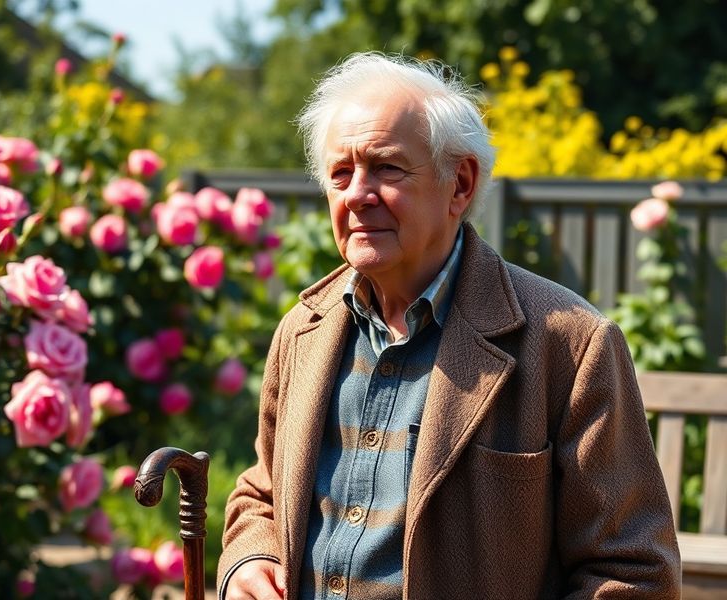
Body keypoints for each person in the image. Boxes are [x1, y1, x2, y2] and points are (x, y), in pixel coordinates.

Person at [217, 52, 680, 599]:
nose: (358, 194)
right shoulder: (302, 332)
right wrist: (250, 558)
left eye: (387, 167)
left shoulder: (570, 345)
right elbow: (263, 493)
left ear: (459, 184)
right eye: (341, 173)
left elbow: (633, 574)